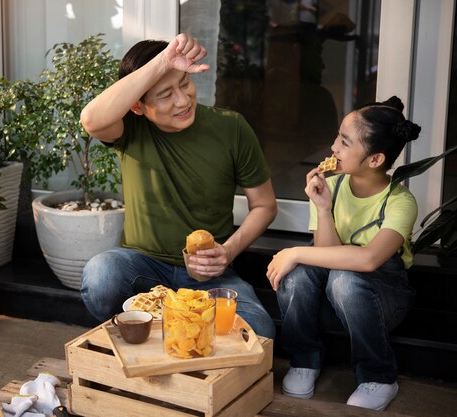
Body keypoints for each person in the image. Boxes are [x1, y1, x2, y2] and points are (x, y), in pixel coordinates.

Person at [79, 33, 278, 339]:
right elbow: (91, 119)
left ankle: (160, 331)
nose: (183, 100)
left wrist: (227, 251)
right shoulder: (129, 128)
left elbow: (265, 205)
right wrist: (163, 61)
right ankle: (169, 331)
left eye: (184, 84)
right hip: (142, 267)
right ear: (138, 106)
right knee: (101, 275)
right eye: (165, 94)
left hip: (209, 277)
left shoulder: (231, 127)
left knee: (259, 332)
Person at [266, 96, 421, 410]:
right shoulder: (332, 186)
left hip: (382, 302)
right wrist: (323, 209)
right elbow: (325, 257)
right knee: (304, 273)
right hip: (335, 295)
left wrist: (294, 251)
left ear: (375, 160)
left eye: (345, 142)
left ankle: (379, 375)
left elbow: (368, 259)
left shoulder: (400, 202)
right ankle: (304, 360)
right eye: (338, 136)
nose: (334, 147)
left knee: (344, 277)